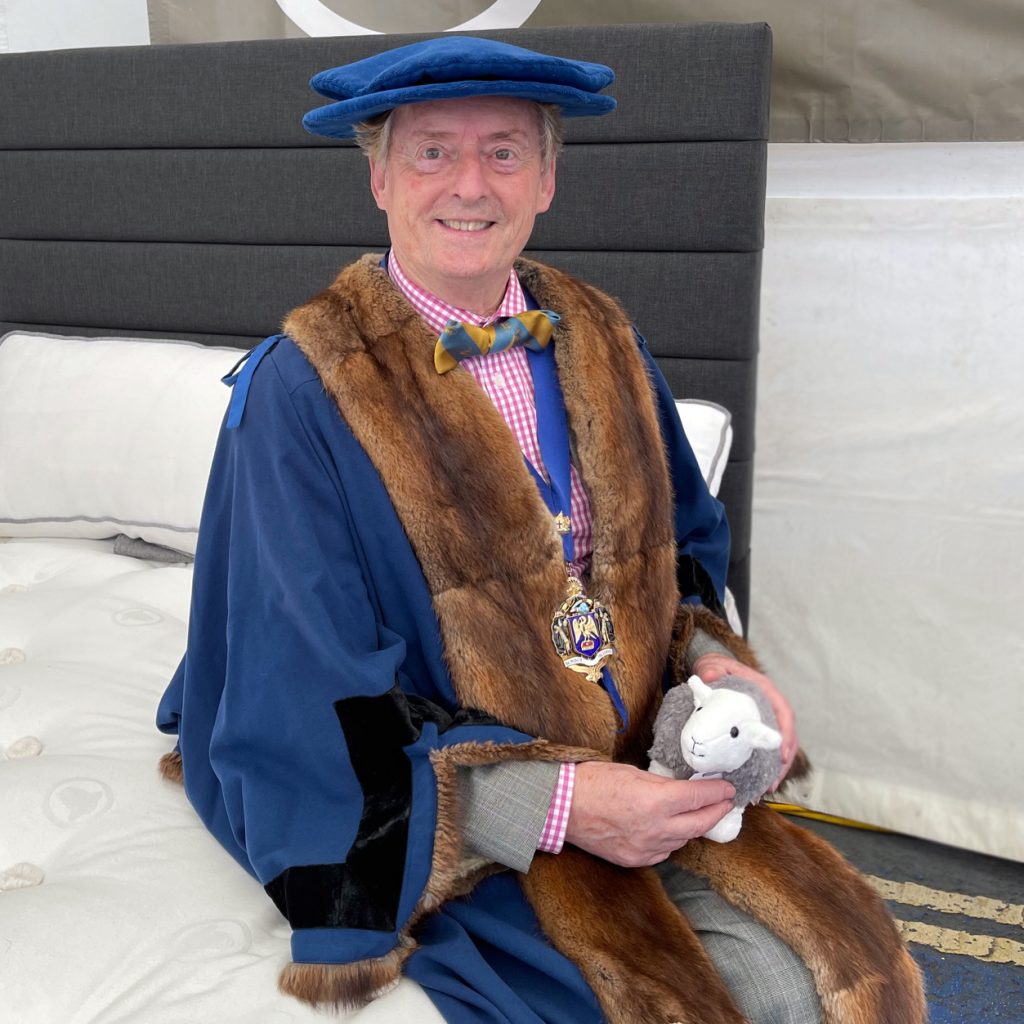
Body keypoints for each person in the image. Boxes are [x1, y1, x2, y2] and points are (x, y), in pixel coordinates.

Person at [157, 35, 925, 1024]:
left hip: (641, 747)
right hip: (463, 799)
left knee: (846, 963)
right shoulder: (301, 390)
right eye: (432, 151)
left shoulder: (602, 331)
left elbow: (682, 551)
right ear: (380, 176)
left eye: (505, 152)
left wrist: (713, 659)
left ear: (548, 179)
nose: (470, 184)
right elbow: (300, 677)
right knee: (735, 996)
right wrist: (559, 804)